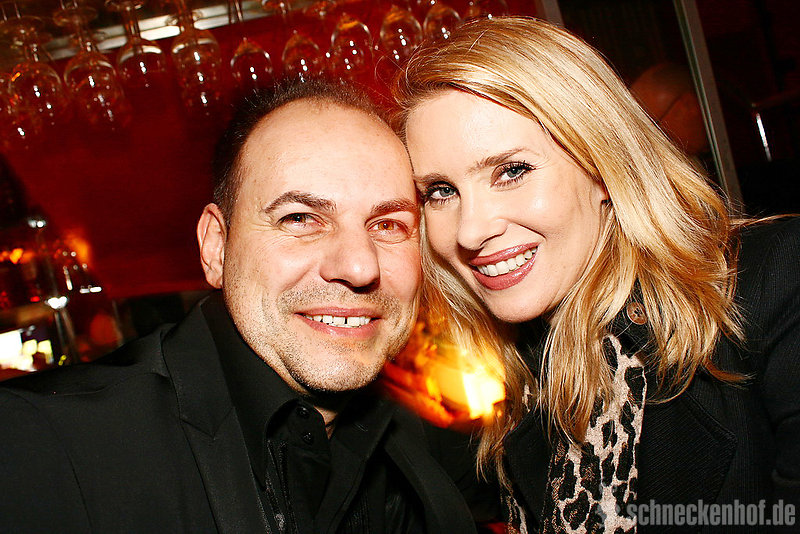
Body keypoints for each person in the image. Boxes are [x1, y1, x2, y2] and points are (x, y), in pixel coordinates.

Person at [0, 80, 483, 533]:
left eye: (388, 225)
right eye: (300, 218)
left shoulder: (431, 443)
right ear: (216, 247)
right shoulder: (44, 445)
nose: (359, 267)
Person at [393, 16, 800, 533]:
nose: (470, 230)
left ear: (602, 166)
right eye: (440, 191)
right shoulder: (523, 371)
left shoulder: (776, 282)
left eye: (512, 171)